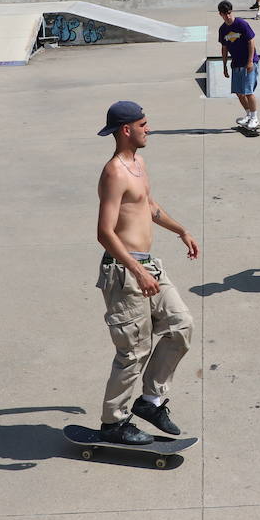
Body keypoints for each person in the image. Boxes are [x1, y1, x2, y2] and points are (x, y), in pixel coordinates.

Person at [94, 101, 199, 445]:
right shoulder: (114, 172)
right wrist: (136, 270)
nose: (148, 129)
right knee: (132, 352)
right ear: (126, 130)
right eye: (143, 124)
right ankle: (114, 422)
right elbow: (105, 232)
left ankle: (150, 401)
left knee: (180, 325)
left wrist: (181, 229)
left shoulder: (139, 163)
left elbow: (149, 207)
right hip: (124, 271)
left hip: (149, 265)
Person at [217, 0, 260, 129]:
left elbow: (251, 42)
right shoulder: (222, 29)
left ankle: (254, 117)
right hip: (236, 63)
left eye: (229, 13)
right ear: (220, 14)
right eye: (225, 14)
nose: (228, 16)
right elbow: (224, 48)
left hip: (249, 62)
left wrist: (250, 61)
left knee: (248, 92)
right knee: (238, 92)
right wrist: (224, 66)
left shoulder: (241, 24)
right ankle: (248, 114)